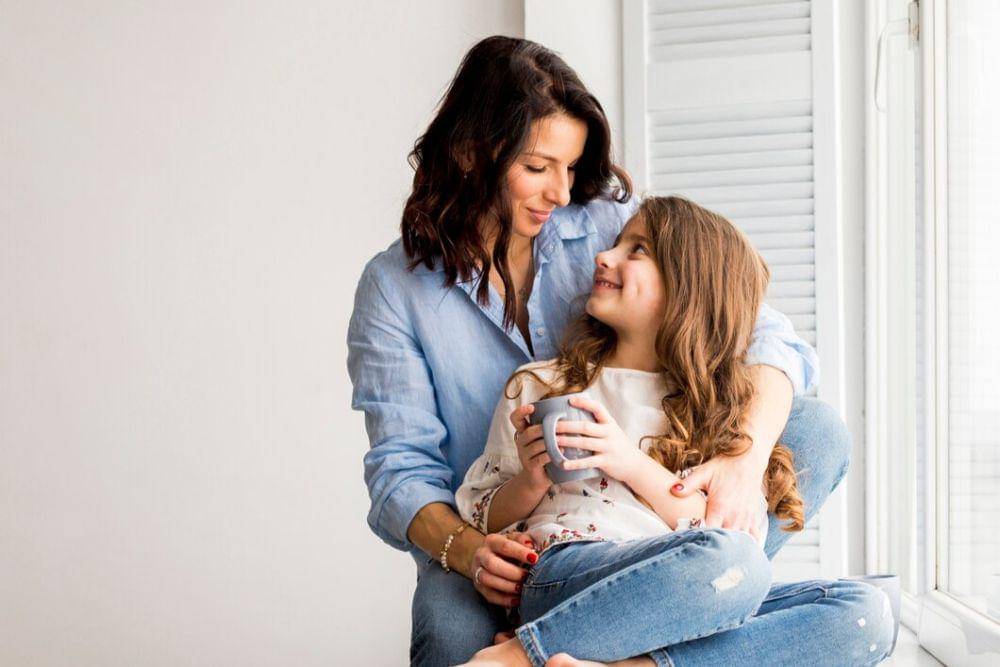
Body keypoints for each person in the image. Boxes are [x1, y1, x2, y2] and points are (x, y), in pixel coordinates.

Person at [347, 36, 850, 666]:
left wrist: (742, 468)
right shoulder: (394, 288)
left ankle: (616, 643)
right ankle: (660, 619)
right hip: (501, 540)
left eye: (571, 167)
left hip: (653, 530)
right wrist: (469, 551)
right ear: (471, 152)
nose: (561, 193)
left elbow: (761, 333)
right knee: (450, 640)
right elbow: (401, 471)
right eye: (538, 168)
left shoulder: (608, 222)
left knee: (816, 436)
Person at [454, 196, 893, 666]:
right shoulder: (541, 384)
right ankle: (521, 657)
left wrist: (627, 461)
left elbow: (720, 530)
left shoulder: (716, 411)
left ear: (689, 288)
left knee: (867, 614)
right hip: (568, 574)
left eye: (637, 250)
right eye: (616, 244)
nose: (604, 257)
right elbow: (482, 513)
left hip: (679, 595)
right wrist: (531, 479)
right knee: (739, 564)